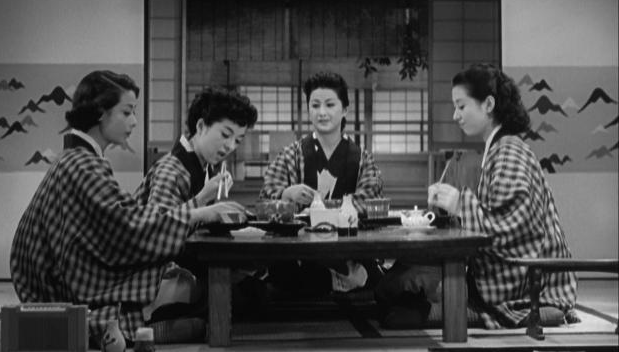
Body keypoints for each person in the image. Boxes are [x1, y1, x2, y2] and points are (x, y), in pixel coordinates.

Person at [10, 71, 247, 345]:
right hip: (64, 291)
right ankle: (154, 323)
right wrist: (200, 209)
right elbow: (129, 226)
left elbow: (121, 222)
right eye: (127, 112)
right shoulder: (83, 165)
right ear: (100, 113)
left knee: (210, 290)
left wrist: (201, 205)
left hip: (71, 279)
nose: (134, 121)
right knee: (207, 291)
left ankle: (168, 320)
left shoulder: (79, 160)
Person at [376, 63, 578, 329]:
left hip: (521, 280)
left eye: (461, 106)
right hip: (503, 271)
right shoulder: (500, 148)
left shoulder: (510, 151)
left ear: (488, 104)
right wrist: (455, 207)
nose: (455, 115)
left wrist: (459, 203)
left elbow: (510, 228)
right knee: (394, 282)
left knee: (393, 292)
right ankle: (432, 306)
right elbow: (496, 218)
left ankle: (439, 312)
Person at [134, 86, 262, 319]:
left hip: (187, 269)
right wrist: (203, 200)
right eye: (225, 135)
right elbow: (156, 231)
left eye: (237, 140)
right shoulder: (171, 169)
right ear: (201, 126)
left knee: (254, 289)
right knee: (246, 297)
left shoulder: (203, 167)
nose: (230, 146)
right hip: (158, 279)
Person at [259, 72, 384, 295]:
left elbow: (370, 203)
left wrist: (318, 209)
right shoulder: (291, 155)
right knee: (284, 272)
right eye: (315, 105)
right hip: (300, 253)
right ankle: (342, 280)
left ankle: (336, 278)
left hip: (348, 251)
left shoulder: (362, 158)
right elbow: (264, 206)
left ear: (345, 110)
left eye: (330, 104)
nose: (322, 112)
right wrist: (286, 195)